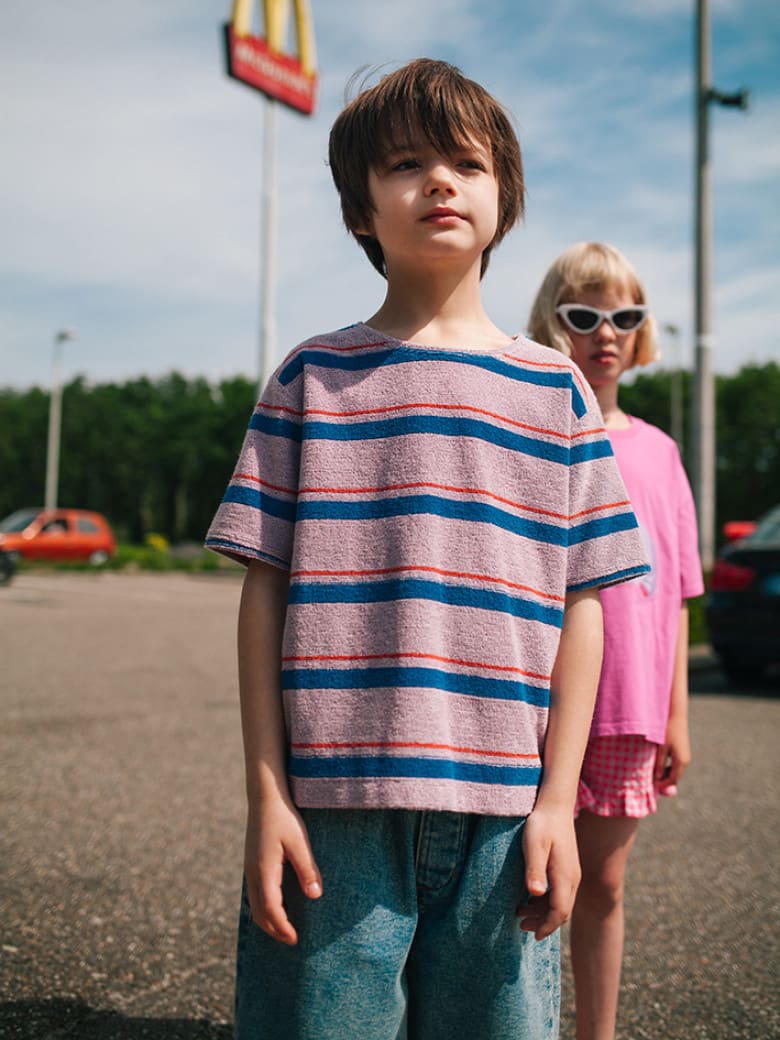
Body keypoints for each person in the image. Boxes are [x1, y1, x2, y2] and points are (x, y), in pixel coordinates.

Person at [206, 62, 649, 1040]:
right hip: (333, 811)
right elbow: (264, 592)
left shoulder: (557, 394)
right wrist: (265, 794)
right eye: (407, 163)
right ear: (362, 209)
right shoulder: (311, 379)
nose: (441, 182)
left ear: (504, 197)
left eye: (466, 162)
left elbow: (586, 605)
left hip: (507, 816)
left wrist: (558, 804)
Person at [527, 242, 705, 1040]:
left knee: (602, 884)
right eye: (584, 315)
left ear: (642, 331)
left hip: (631, 702)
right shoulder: (532, 430)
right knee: (525, 883)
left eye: (624, 316)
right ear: (552, 323)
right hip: (537, 700)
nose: (606, 332)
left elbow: (680, 597)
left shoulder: (662, 454)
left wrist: (678, 715)